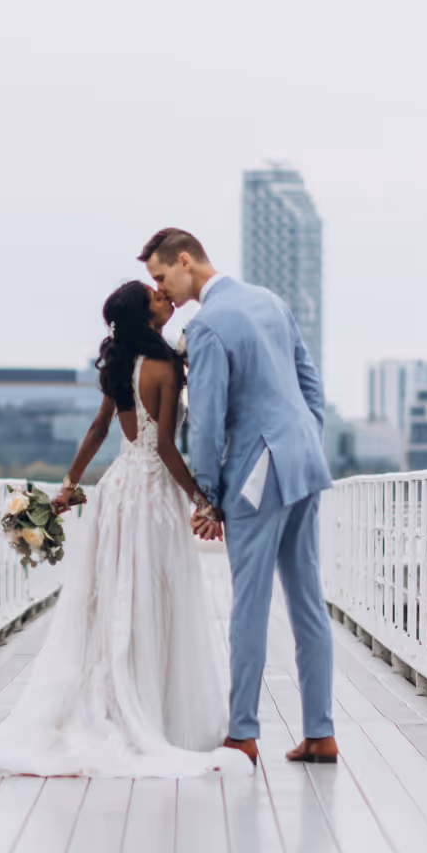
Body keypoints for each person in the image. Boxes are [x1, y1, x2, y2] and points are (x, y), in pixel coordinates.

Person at [0, 281, 246, 779]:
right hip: (153, 493)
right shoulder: (164, 368)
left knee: (112, 597)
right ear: (147, 315)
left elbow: (98, 430)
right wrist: (203, 499)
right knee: (154, 596)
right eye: (156, 296)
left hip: (117, 491)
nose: (165, 297)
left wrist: (69, 486)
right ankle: (149, 712)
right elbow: (165, 448)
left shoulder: (123, 365)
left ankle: (110, 702)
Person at [141, 225, 338, 766]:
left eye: (163, 277)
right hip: (303, 460)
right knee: (307, 601)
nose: (164, 293)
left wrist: (207, 496)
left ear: (186, 260)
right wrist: (304, 437)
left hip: (257, 471)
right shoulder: (270, 301)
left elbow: (205, 422)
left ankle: (244, 733)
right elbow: (310, 381)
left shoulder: (207, 327)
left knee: (248, 605)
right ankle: (321, 731)